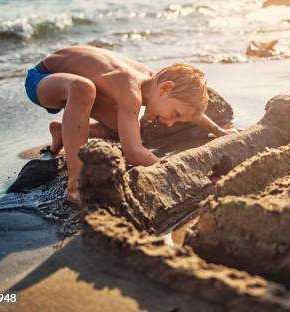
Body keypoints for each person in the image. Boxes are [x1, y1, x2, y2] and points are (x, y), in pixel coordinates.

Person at [24, 46, 234, 206]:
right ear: (165, 89)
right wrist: (173, 171)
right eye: (175, 114)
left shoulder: (153, 82)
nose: (170, 123)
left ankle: (62, 131)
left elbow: (193, 114)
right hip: (42, 79)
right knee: (84, 88)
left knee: (126, 128)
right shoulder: (131, 91)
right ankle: (75, 186)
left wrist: (219, 131)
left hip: (77, 89)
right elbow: (133, 152)